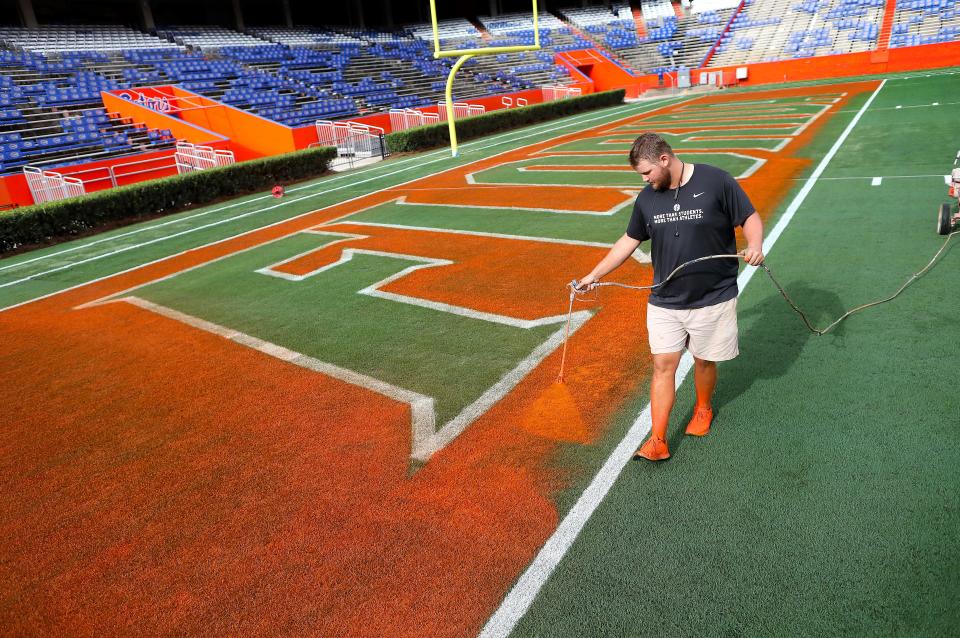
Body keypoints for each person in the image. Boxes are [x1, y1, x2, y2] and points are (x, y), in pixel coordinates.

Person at [575, 132, 764, 461]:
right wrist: (593, 275)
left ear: (664, 159)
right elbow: (628, 240)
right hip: (665, 299)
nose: (645, 180)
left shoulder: (716, 180)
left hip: (713, 296)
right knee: (663, 365)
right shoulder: (647, 198)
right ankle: (658, 440)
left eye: (647, 172)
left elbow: (749, 216)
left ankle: (703, 408)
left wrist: (756, 245)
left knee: (704, 360)